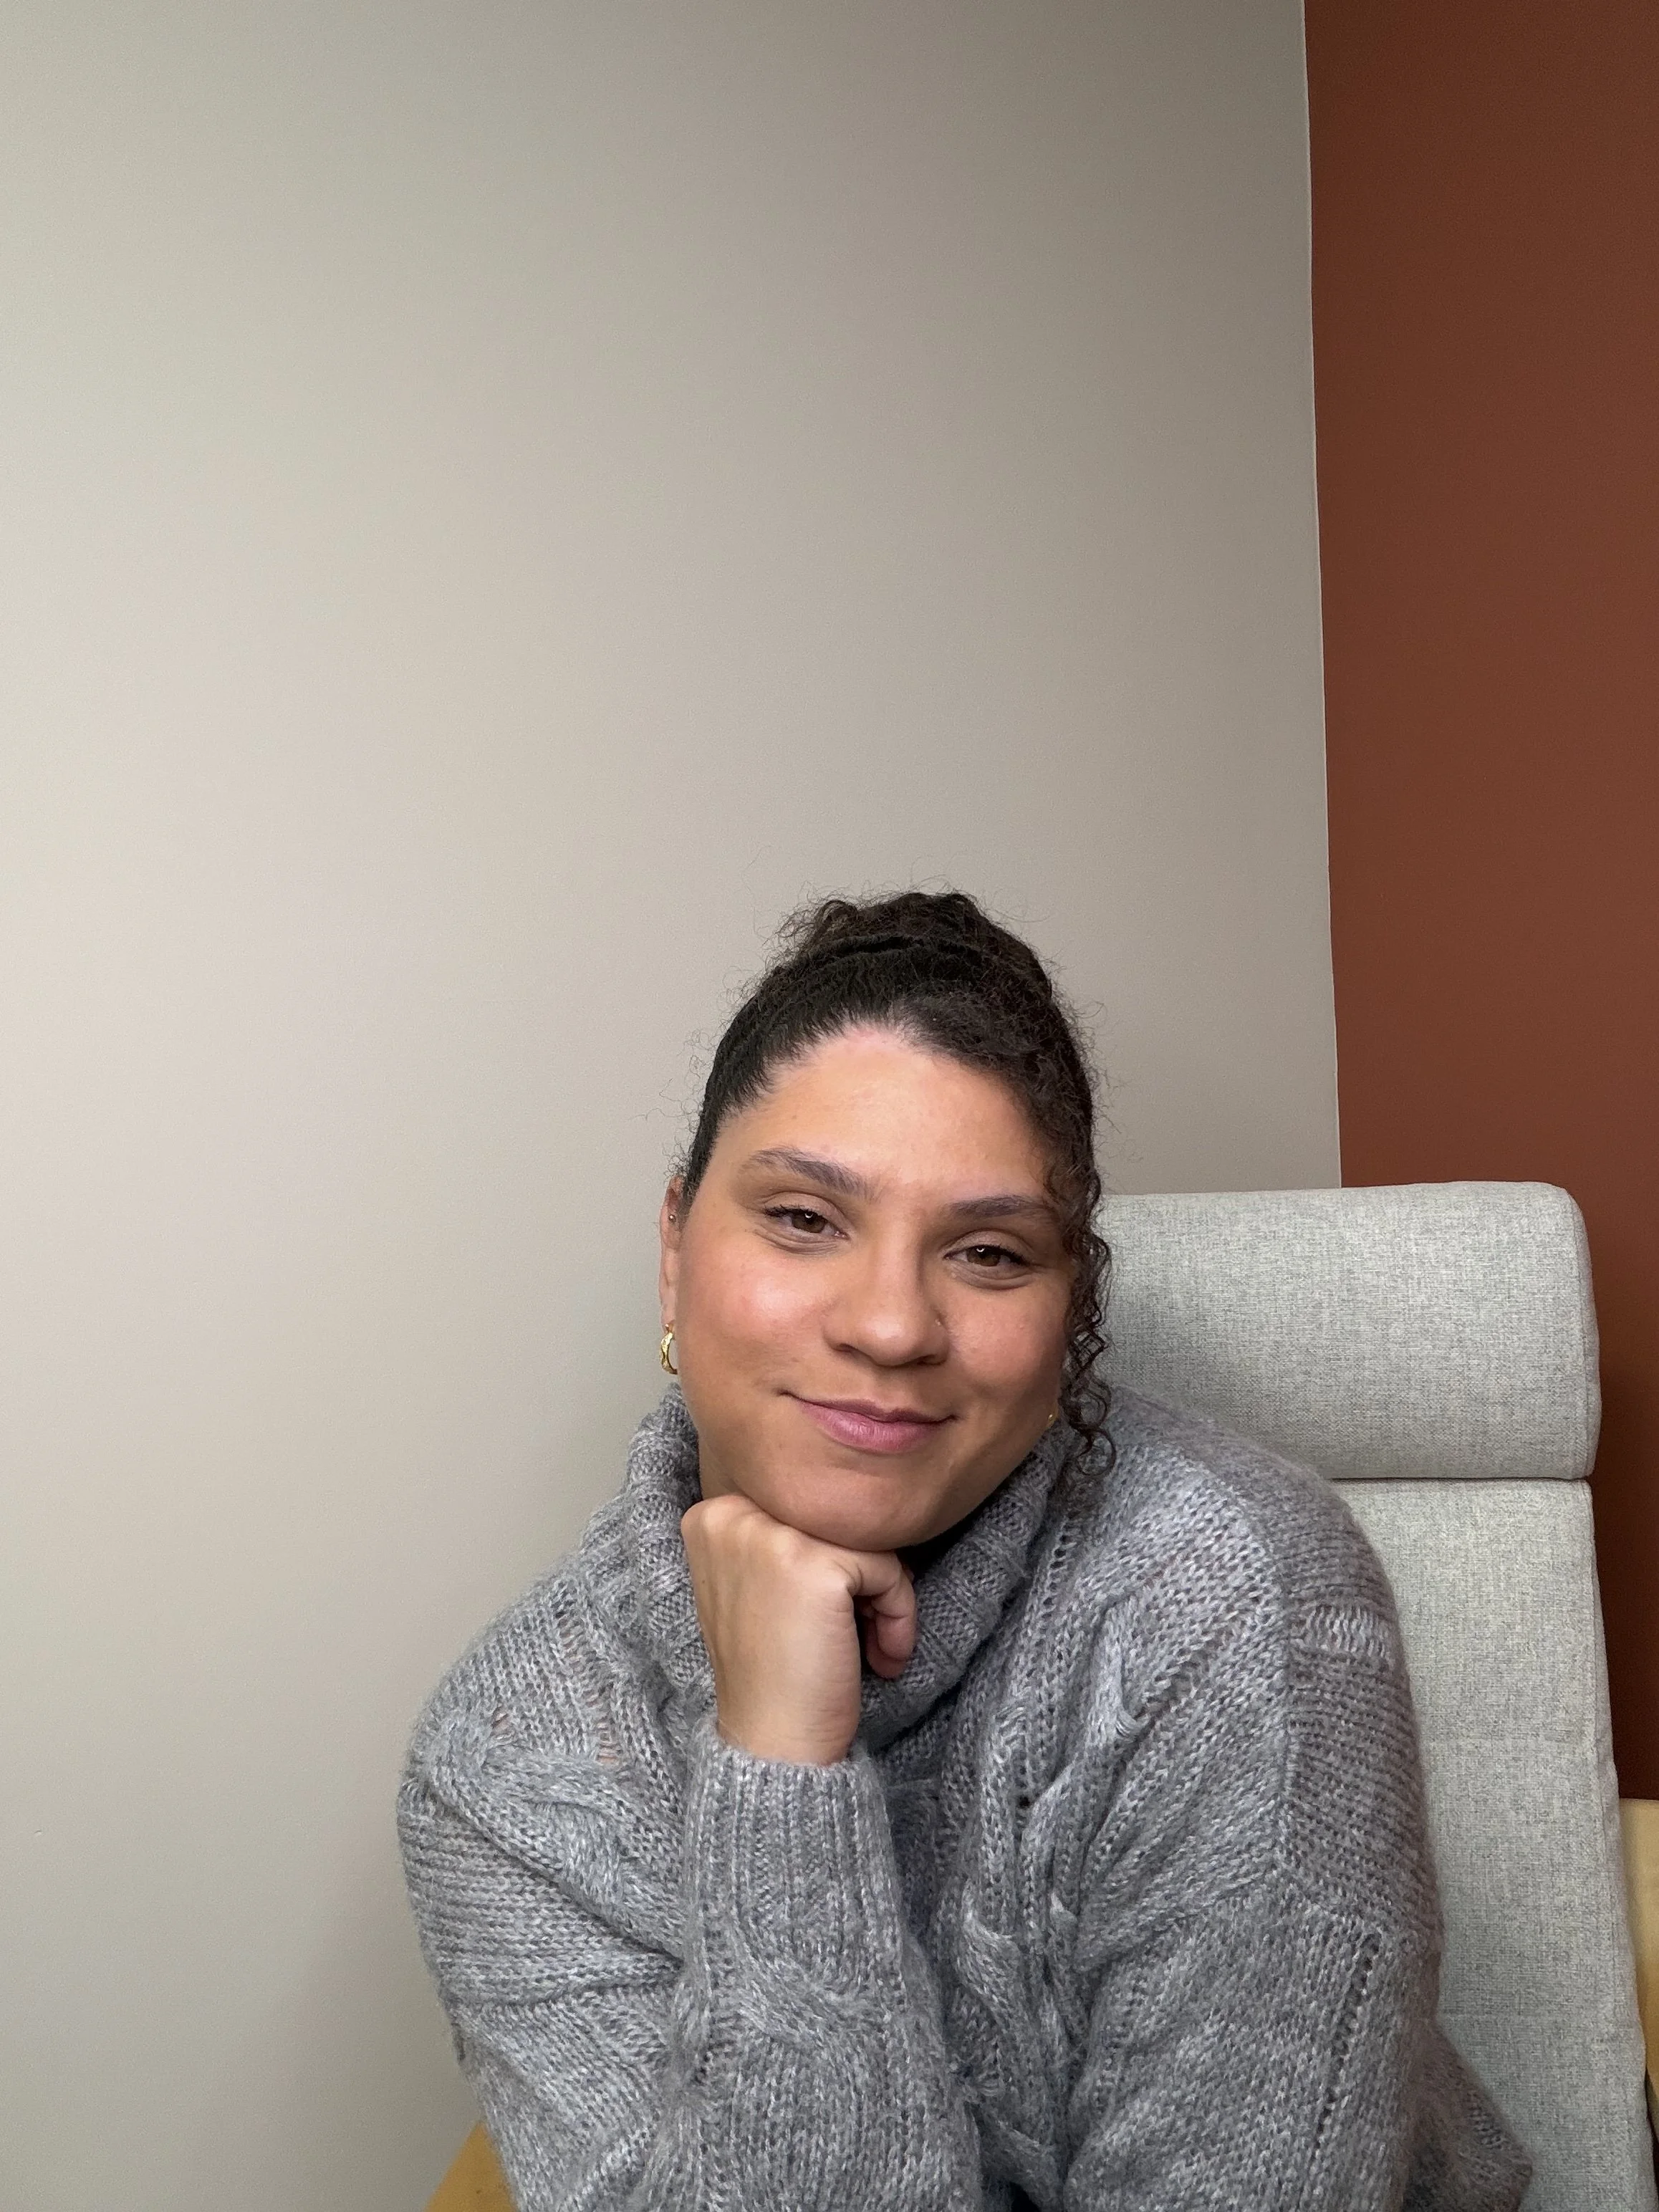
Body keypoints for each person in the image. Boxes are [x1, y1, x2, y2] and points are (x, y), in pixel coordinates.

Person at [398, 889, 1528, 2210]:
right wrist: (779, 1766)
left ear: (1068, 1310)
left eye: (990, 1253)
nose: (892, 1325)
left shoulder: (1238, 1602)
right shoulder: (510, 1759)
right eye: (804, 1218)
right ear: (673, 1245)